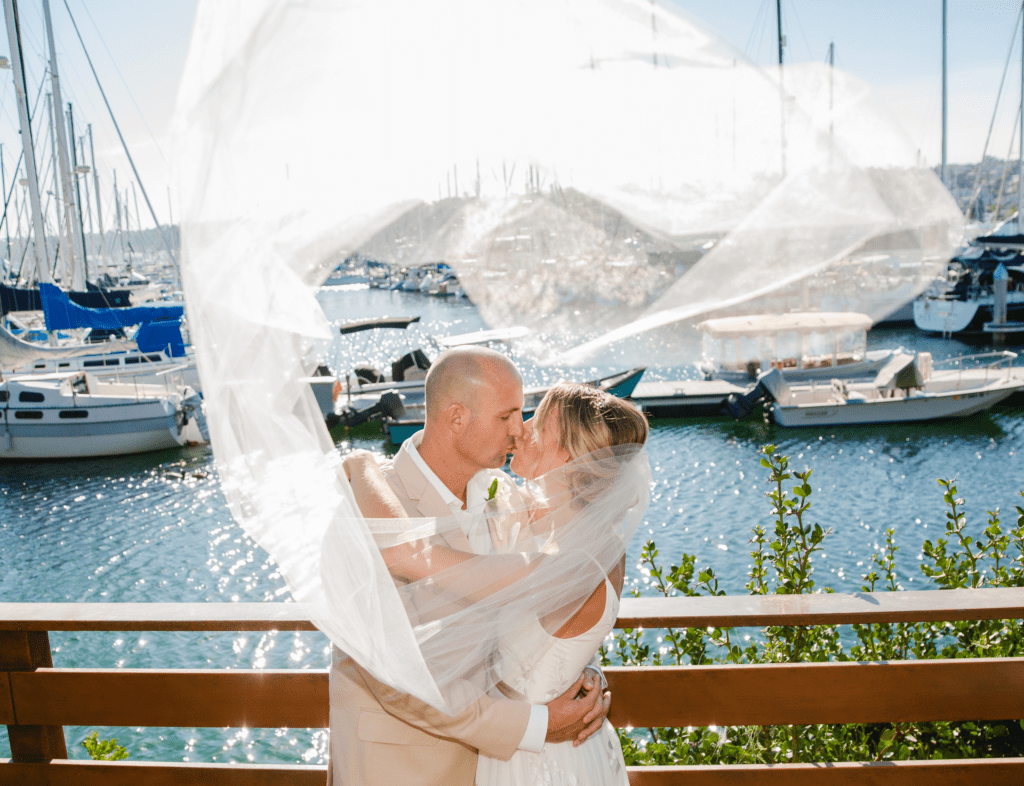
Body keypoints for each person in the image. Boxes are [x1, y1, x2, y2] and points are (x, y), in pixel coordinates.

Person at [327, 347, 614, 786]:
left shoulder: (506, 499)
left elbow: (540, 617)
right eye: (507, 416)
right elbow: (400, 680)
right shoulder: (369, 512)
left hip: (499, 772)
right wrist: (538, 723)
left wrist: (573, 676)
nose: (521, 431)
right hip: (402, 772)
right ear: (457, 417)